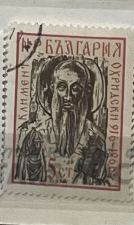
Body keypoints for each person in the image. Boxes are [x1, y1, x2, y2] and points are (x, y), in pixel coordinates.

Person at [14, 56, 109, 186]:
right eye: (62, 87)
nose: (68, 96)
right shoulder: (36, 137)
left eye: (75, 88)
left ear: (86, 91)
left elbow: (95, 186)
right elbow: (25, 184)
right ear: (53, 88)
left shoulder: (95, 138)